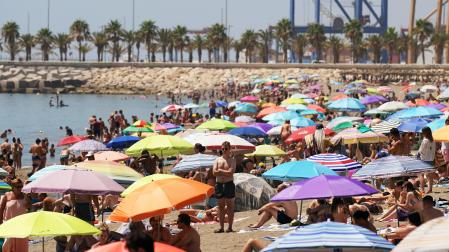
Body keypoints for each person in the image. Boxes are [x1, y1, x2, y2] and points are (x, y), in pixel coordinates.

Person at [0, 179, 30, 252]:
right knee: (7, 246)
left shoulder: (24, 196)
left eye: (21, 186)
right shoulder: (7, 195)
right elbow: (1, 210)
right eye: (18, 187)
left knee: (21, 247)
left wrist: (26, 194)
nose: (20, 188)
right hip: (9, 225)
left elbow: (28, 207)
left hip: (22, 226)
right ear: (13, 187)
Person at [213, 141, 236, 233]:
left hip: (228, 184)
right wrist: (224, 172)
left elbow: (231, 172)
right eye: (222, 149)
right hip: (219, 184)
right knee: (220, 207)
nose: (224, 150)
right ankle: (221, 227)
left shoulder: (232, 160)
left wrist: (220, 170)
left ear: (229, 149)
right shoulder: (217, 160)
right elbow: (214, 172)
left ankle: (230, 227)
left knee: (230, 207)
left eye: (226, 149)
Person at [418, 127, 436, 193]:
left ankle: (422, 189)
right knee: (430, 176)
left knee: (421, 175)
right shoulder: (433, 140)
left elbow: (421, 151)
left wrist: (417, 156)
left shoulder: (425, 140)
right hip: (431, 159)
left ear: (425, 132)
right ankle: (430, 189)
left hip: (424, 159)